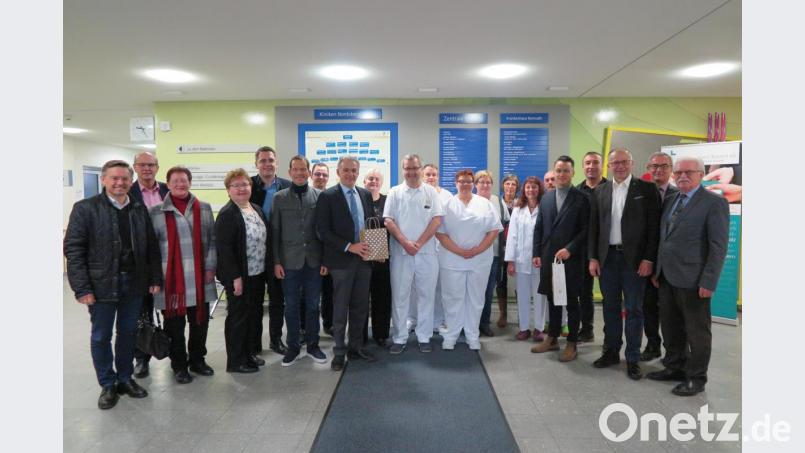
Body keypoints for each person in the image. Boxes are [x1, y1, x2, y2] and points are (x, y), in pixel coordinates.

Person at [64, 160, 161, 409]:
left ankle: (125, 378)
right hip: (101, 285)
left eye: (124, 179)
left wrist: (154, 279)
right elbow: (74, 250)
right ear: (104, 180)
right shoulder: (85, 208)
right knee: (101, 336)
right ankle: (108, 384)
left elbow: (151, 248)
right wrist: (82, 288)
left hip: (134, 284)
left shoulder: (138, 208)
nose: (120, 183)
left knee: (128, 334)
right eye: (114, 178)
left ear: (131, 181)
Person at [647, 157, 729, 396]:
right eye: (679, 172)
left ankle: (696, 377)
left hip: (694, 280)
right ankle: (674, 367)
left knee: (697, 332)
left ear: (701, 174)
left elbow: (718, 246)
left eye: (688, 172)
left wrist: (709, 280)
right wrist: (658, 270)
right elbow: (665, 239)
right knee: (671, 328)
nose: (682, 176)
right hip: (666, 277)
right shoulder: (671, 199)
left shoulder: (714, 203)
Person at [588, 149, 660, 380]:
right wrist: (593, 258)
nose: (619, 166)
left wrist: (649, 259)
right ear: (608, 165)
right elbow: (594, 228)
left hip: (635, 262)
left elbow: (654, 229)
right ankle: (610, 351)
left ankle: (632, 357)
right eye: (615, 162)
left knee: (634, 310)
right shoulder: (600, 191)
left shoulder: (647, 190)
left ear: (632, 163)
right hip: (607, 259)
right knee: (609, 308)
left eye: (623, 162)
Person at [148, 166, 217, 383]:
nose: (180, 184)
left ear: (190, 182)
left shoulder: (204, 208)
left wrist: (210, 268)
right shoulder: (156, 212)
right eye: (175, 181)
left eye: (184, 180)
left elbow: (211, 242)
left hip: (199, 278)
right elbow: (151, 249)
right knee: (175, 327)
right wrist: (154, 279)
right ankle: (179, 365)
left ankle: (198, 360)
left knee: (200, 323)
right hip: (172, 282)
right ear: (167, 184)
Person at [315, 156, 376, 371]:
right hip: (341, 261)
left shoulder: (365, 194)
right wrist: (349, 246)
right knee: (340, 308)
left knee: (360, 307)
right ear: (338, 172)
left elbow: (369, 225)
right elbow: (323, 231)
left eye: (354, 170)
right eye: (346, 170)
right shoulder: (328, 196)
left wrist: (376, 250)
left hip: (364, 261)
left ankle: (355, 347)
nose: (350, 174)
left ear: (358, 173)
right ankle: (339, 351)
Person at [530, 156, 590, 362]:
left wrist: (570, 249)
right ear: (553, 173)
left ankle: (572, 342)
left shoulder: (582, 199)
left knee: (572, 302)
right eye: (558, 170)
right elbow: (539, 227)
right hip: (549, 259)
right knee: (552, 300)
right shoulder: (546, 198)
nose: (561, 174)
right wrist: (536, 253)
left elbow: (586, 230)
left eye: (566, 170)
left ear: (573, 173)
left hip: (571, 260)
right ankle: (552, 338)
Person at [436, 170, 503, 351]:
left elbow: (494, 230)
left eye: (468, 181)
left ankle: (472, 335)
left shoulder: (484, 204)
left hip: (479, 259)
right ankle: (451, 335)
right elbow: (440, 233)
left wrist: (478, 249)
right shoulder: (447, 204)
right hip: (452, 259)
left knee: (476, 297)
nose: (465, 184)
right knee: (452, 297)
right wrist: (459, 251)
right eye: (461, 181)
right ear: (455, 183)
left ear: (473, 183)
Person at [272, 155, 328, 366]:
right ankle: (293, 347)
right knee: (291, 306)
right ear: (289, 172)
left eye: (303, 169)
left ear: (309, 172)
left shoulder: (319, 196)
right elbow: (275, 232)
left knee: (314, 305)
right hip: (289, 262)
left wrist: (325, 260)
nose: (299, 173)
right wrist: (276, 262)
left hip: (314, 261)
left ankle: (313, 345)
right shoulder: (279, 198)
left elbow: (323, 232)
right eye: (295, 169)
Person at [384, 155, 444, 353]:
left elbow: (436, 220)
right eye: (407, 168)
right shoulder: (394, 192)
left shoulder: (431, 192)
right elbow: (388, 220)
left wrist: (418, 243)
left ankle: (424, 336)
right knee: (400, 297)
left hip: (426, 254)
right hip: (401, 254)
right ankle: (400, 338)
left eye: (415, 168)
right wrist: (405, 242)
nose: (411, 172)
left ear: (421, 169)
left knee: (426, 296)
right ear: (403, 170)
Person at [215, 169, 270, 373]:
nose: (241, 189)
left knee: (253, 316)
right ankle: (236, 361)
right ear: (228, 190)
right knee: (238, 318)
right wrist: (235, 278)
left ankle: (248, 354)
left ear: (251, 187)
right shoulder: (228, 214)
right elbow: (224, 250)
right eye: (236, 185)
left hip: (257, 273)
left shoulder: (255, 208)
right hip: (239, 276)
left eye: (245, 184)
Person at [128, 152, 169, 379]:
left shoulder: (167, 190)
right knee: (141, 315)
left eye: (151, 165)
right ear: (135, 167)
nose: (147, 168)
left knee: (172, 312)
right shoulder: (129, 193)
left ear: (157, 167)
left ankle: (173, 353)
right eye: (142, 165)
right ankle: (141, 359)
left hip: (168, 260)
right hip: (140, 265)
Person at [249, 146, 291, 357]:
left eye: (271, 160)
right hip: (254, 252)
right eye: (263, 160)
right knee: (255, 301)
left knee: (277, 300)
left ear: (276, 163)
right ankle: (254, 344)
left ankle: (276, 340)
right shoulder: (247, 185)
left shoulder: (287, 186)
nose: (267, 164)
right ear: (256, 164)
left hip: (278, 254)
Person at [641, 152, 678, 361]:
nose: (658, 170)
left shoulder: (678, 194)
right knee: (648, 308)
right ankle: (652, 345)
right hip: (646, 261)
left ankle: (674, 353)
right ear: (648, 168)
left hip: (670, 266)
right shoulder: (643, 193)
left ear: (670, 168)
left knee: (670, 312)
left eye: (664, 166)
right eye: (654, 166)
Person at [504, 176, 548, 342]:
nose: (531, 190)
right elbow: (512, 236)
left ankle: (538, 328)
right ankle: (523, 328)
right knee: (522, 296)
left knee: (539, 296)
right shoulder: (518, 209)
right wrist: (510, 261)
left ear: (539, 189)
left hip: (539, 260)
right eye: (528, 187)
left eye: (534, 187)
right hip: (521, 260)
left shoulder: (545, 207)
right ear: (524, 190)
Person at [474, 170, 510, 337]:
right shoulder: (470, 200)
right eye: (481, 182)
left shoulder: (498, 201)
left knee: (488, 291)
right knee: (472, 290)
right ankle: (470, 323)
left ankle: (484, 323)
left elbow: (506, 227)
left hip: (494, 255)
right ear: (475, 185)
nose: (485, 185)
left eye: (488, 182)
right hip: (472, 254)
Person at [575, 151, 607, 343]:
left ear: (602, 165)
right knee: (584, 293)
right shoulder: (578, 192)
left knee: (609, 295)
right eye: (587, 163)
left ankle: (611, 337)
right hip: (583, 252)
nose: (591, 166)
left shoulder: (612, 188)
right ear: (583, 166)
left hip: (608, 252)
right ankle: (586, 330)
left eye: (595, 162)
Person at [422, 163, 453, 334]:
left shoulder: (447, 196)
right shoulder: (418, 193)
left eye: (434, 174)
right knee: (420, 287)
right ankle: (419, 320)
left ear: (438, 177)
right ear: (422, 176)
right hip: (422, 246)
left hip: (442, 247)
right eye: (428, 174)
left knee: (441, 286)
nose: (431, 177)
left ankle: (439, 320)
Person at [363, 168, 392, 346]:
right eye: (370, 179)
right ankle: (361, 335)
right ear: (364, 181)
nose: (373, 182)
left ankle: (381, 333)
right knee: (361, 298)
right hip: (362, 258)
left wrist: (381, 251)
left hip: (384, 259)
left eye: (376, 179)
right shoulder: (358, 199)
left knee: (382, 297)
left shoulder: (388, 201)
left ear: (381, 183)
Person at [310, 162, 334, 336]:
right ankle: (308, 329)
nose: (321, 178)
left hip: (329, 253)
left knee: (329, 292)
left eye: (324, 175)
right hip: (309, 254)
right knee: (309, 295)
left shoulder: (333, 197)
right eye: (318, 174)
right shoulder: (306, 196)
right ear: (312, 176)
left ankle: (329, 324)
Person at [497, 174, 520, 327]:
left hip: (518, 248)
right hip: (501, 247)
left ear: (517, 188)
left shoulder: (521, 203)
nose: (510, 187)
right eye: (507, 184)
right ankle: (503, 315)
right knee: (501, 281)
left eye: (513, 184)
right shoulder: (497, 203)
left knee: (521, 282)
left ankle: (522, 315)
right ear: (503, 186)